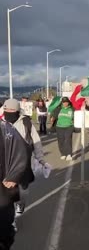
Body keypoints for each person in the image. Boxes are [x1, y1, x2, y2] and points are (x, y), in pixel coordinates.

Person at [2, 99, 43, 228]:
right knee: (7, 193)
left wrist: (40, 158)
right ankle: (11, 220)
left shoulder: (26, 122)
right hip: (6, 164)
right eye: (6, 110)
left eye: (11, 110)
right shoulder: (1, 123)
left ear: (17, 111)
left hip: (23, 163)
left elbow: (36, 141)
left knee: (23, 191)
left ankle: (21, 203)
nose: (8, 112)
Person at [0, 120, 32, 249]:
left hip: (2, 189)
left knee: (3, 228)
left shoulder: (5, 129)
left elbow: (24, 149)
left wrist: (14, 175)